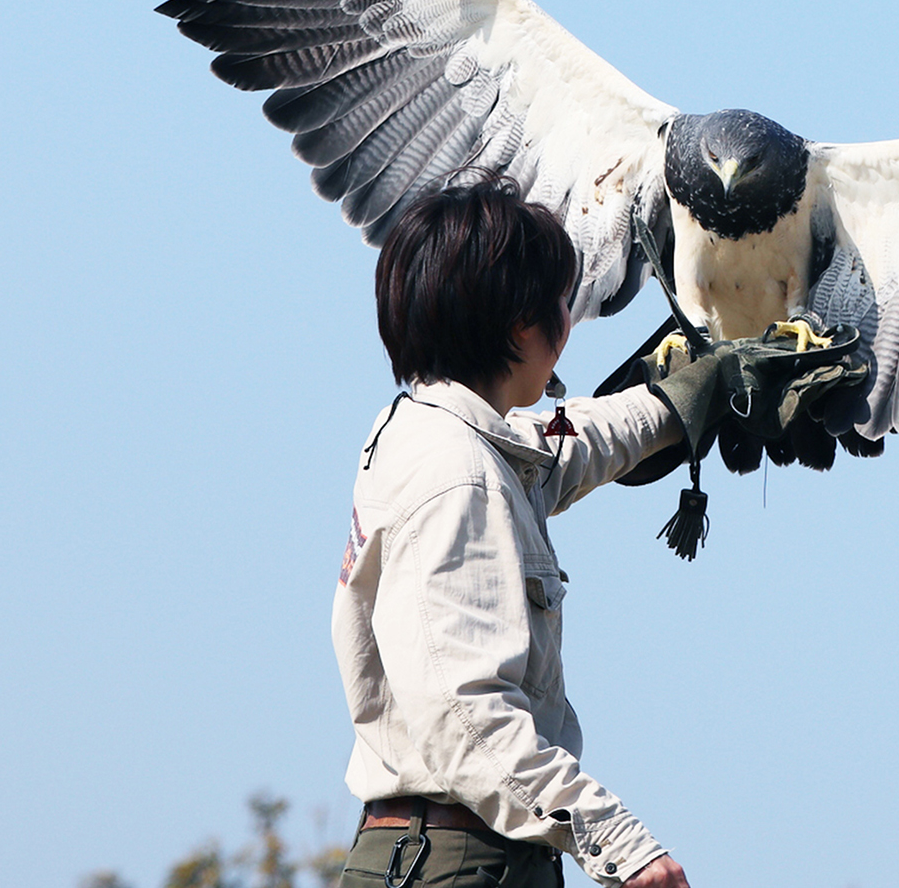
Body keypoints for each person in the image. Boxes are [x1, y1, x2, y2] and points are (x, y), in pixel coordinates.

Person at [331, 176, 857, 888]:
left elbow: (562, 442)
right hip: (459, 864)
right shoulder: (459, 475)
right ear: (520, 325)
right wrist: (623, 845)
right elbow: (469, 718)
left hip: (453, 851)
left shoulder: (425, 435)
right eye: (560, 301)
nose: (570, 321)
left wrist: (690, 392)